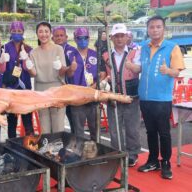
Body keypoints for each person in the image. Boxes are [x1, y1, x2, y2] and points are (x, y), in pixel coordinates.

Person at [138, 16, 185, 179]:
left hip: (162, 99)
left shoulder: (172, 47)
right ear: (147, 29)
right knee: (150, 131)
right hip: (144, 97)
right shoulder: (143, 46)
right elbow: (138, 66)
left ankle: (165, 162)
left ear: (164, 29)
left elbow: (177, 71)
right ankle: (152, 160)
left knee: (163, 132)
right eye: (151, 27)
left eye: (158, 27)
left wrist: (168, 70)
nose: (155, 30)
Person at [102, 23, 142, 167]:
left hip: (131, 96)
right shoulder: (106, 54)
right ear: (112, 38)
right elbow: (103, 73)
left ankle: (132, 154)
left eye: (122, 36)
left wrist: (132, 66)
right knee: (114, 128)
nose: (119, 39)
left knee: (132, 127)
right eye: (116, 36)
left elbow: (139, 69)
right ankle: (117, 152)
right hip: (113, 96)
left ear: (127, 37)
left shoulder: (135, 51)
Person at [26, 21, 75, 134]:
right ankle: (46, 150)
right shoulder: (33, 52)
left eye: (46, 31)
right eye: (41, 32)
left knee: (58, 125)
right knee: (44, 126)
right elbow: (33, 74)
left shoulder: (58, 49)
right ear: (37, 34)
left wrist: (61, 67)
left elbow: (62, 72)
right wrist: (28, 65)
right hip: (41, 90)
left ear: (50, 33)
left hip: (56, 88)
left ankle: (58, 149)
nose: (44, 34)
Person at [67, 27, 106, 140]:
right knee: (78, 130)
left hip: (92, 97)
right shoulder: (70, 55)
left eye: (85, 38)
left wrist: (93, 87)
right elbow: (66, 75)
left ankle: (95, 152)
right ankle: (79, 154)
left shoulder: (96, 54)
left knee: (95, 129)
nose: (83, 40)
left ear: (89, 38)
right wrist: (71, 69)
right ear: (75, 38)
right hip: (77, 99)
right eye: (80, 38)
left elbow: (102, 74)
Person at [0, 21, 34, 138]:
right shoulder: (5, 47)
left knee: (27, 120)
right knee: (12, 122)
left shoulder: (29, 49)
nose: (17, 33)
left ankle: (30, 145)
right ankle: (12, 145)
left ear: (23, 32)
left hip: (25, 89)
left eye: (19, 31)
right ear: (10, 32)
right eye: (14, 31)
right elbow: (1, 70)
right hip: (10, 89)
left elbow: (31, 71)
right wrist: (2, 61)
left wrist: (26, 59)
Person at [52, 26, 77, 133]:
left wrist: (68, 69)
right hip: (55, 90)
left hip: (70, 90)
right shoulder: (49, 50)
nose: (59, 38)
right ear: (52, 38)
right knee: (56, 119)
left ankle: (74, 140)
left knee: (73, 118)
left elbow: (75, 71)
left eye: (61, 35)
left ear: (66, 37)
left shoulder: (73, 51)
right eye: (56, 36)